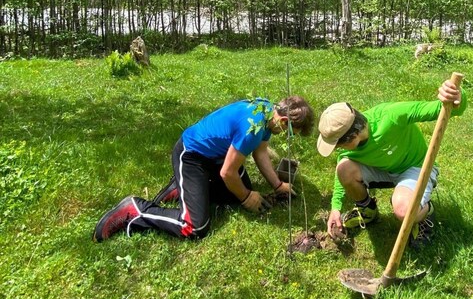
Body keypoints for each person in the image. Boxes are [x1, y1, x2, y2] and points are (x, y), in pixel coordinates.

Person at [93, 96, 314, 242]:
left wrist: (277, 185)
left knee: (239, 189)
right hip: (192, 156)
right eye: (290, 132)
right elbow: (228, 173)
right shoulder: (252, 128)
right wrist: (247, 198)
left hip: (216, 158)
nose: (288, 136)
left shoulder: (265, 112)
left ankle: (183, 188)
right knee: (195, 228)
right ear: (284, 121)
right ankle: (136, 209)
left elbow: (260, 152)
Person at [317, 80, 466, 248]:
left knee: (403, 210)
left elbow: (446, 110)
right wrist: (335, 207)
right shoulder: (349, 147)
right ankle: (367, 210)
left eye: (338, 144)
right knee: (344, 168)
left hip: (415, 168)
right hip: (382, 169)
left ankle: (424, 213)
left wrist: (456, 96)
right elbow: (341, 174)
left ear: (353, 135)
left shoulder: (391, 116)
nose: (337, 149)